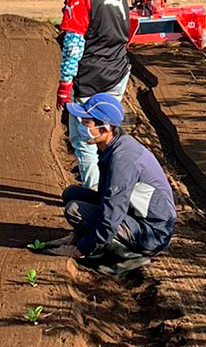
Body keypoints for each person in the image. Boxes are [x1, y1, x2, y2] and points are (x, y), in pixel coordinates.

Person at [45, 92, 175, 275]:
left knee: (74, 209)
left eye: (86, 122)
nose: (81, 125)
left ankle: (126, 255)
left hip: (152, 232)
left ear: (105, 128)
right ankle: (83, 237)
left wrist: (81, 250)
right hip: (135, 214)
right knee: (71, 194)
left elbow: (111, 216)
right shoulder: (112, 145)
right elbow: (107, 197)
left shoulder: (122, 160)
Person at [52, 0, 130, 189]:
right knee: (108, 133)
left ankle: (94, 194)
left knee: (85, 139)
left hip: (90, 78)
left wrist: (65, 85)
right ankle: (115, 187)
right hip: (118, 71)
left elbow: (74, 45)